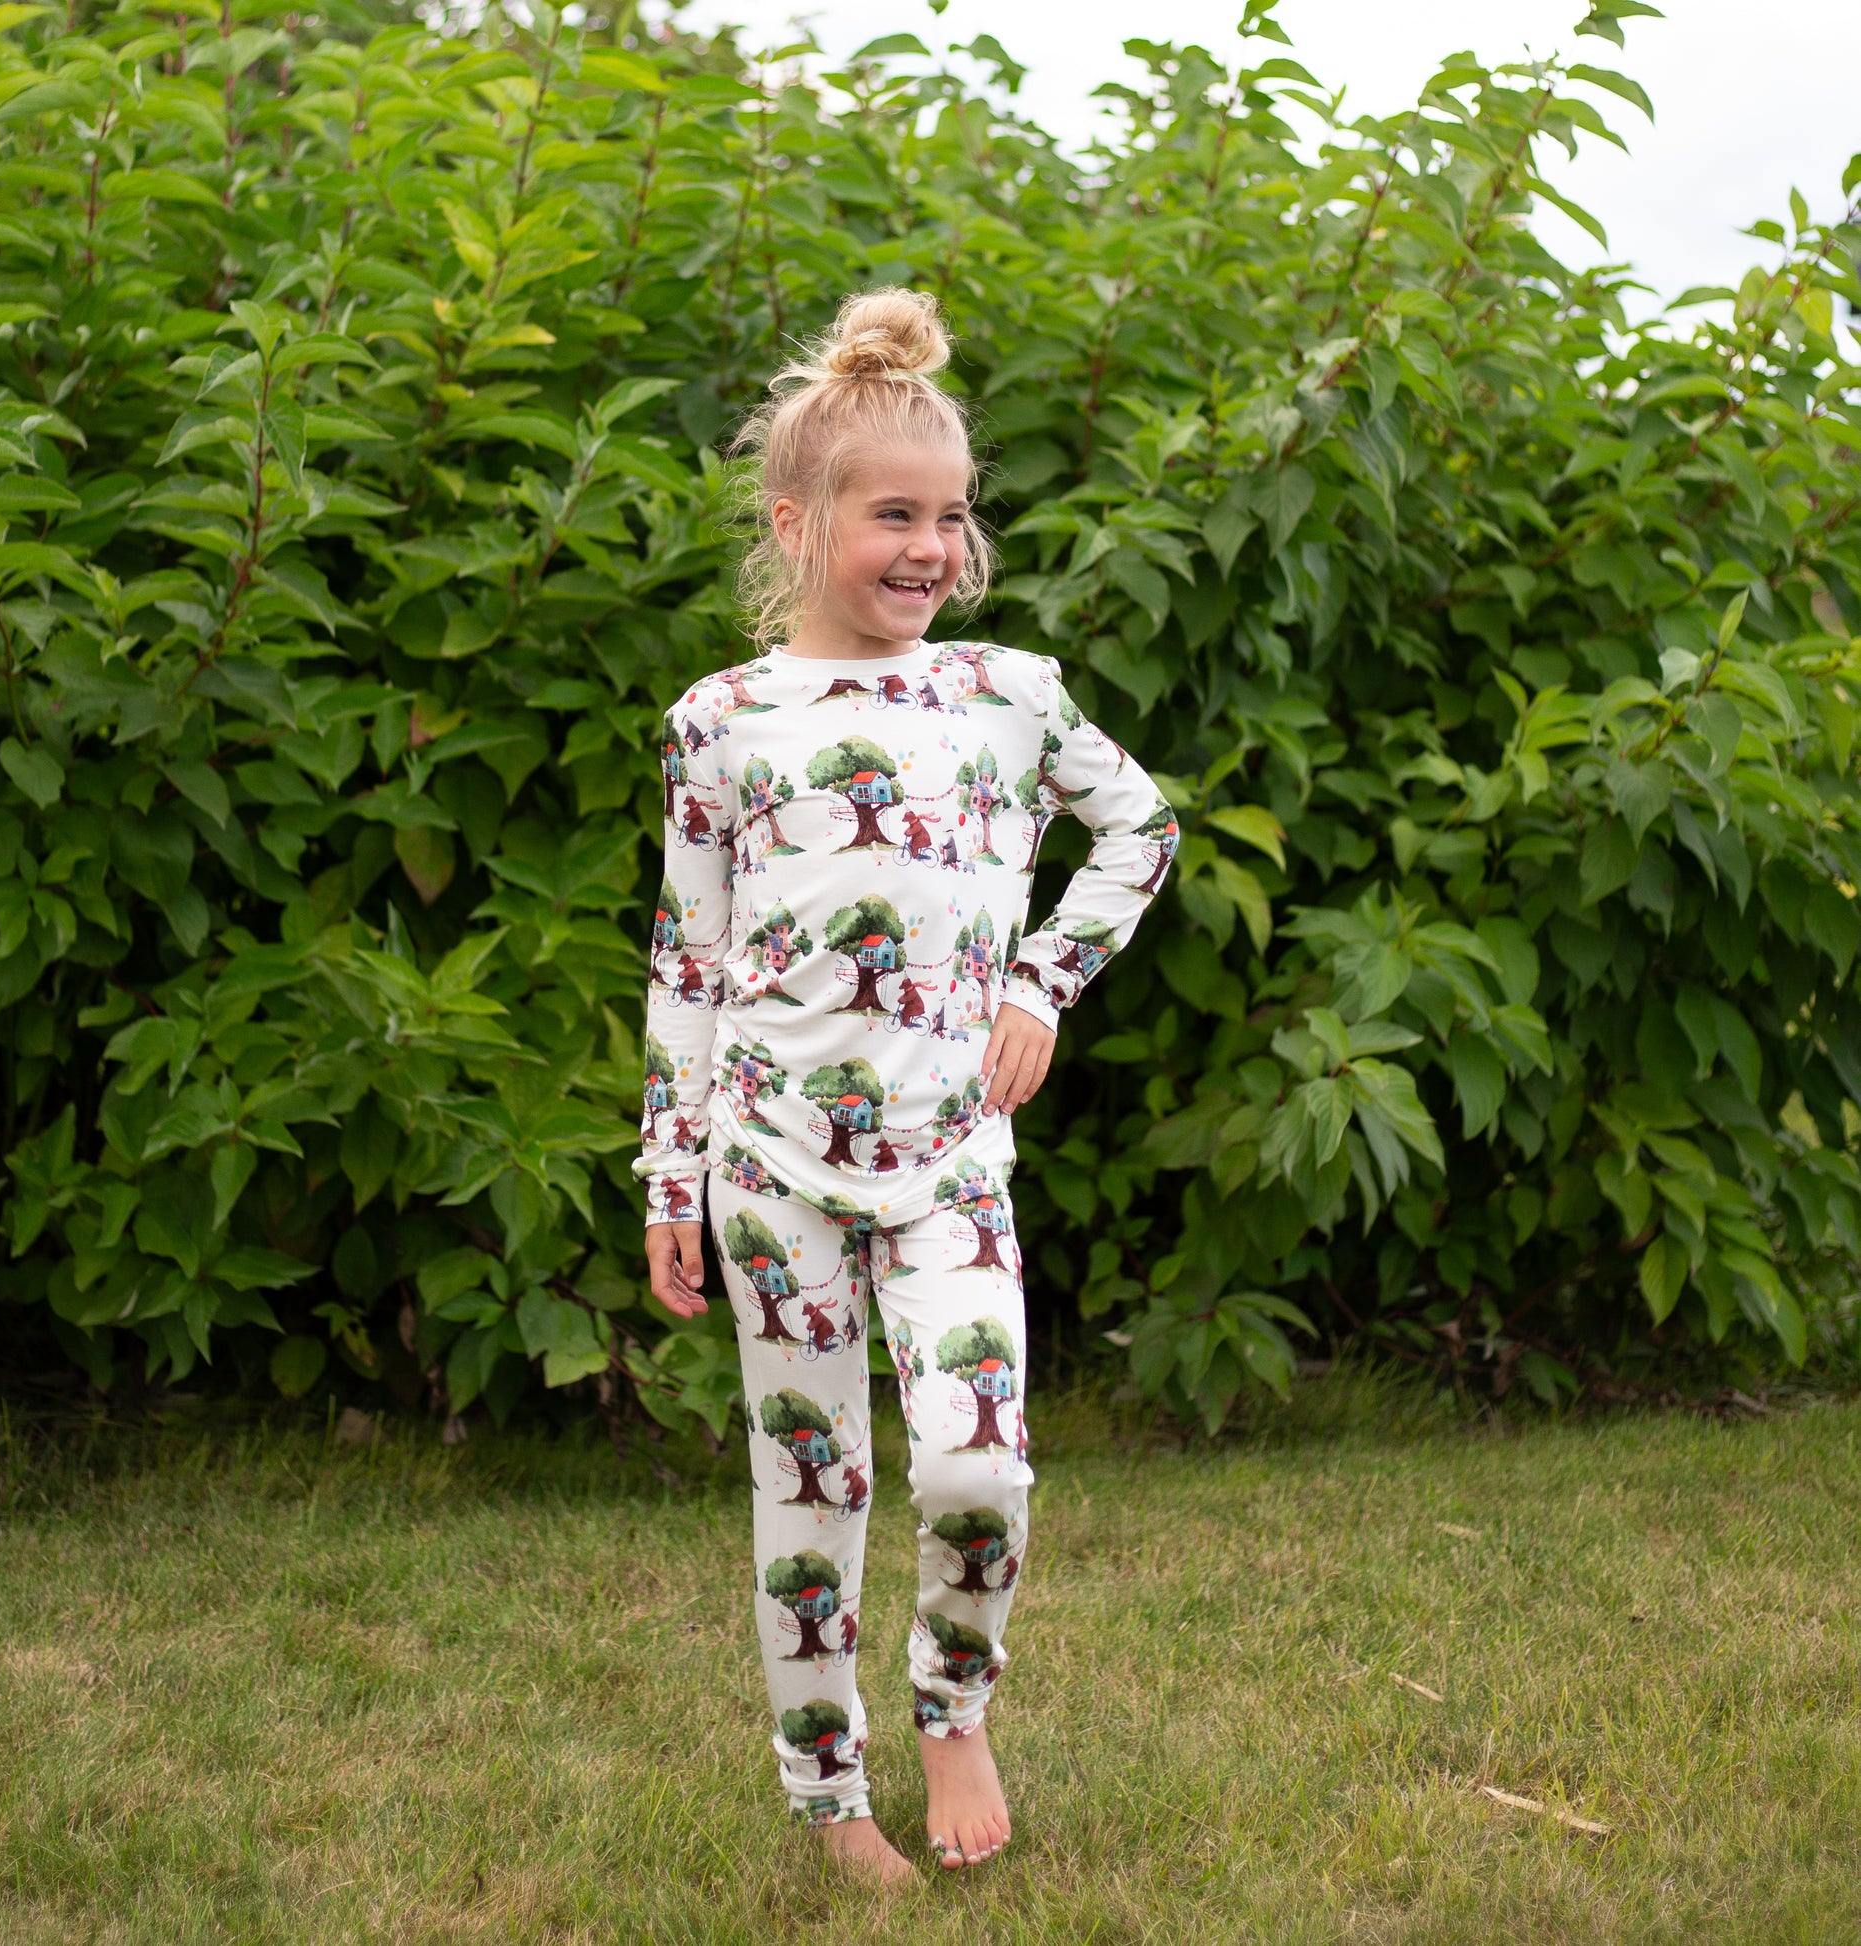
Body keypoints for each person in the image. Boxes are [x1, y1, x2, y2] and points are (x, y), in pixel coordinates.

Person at [636, 286, 1174, 1884]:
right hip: (769, 1166)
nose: (932, 545)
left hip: (949, 1159)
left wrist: (1037, 981)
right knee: (810, 1490)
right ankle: (830, 1799)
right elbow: (688, 960)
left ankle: (953, 1703)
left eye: (951, 515)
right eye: (894, 514)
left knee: (973, 1461)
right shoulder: (721, 723)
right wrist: (670, 1173)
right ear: (796, 523)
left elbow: (1139, 829)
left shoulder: (1005, 695)